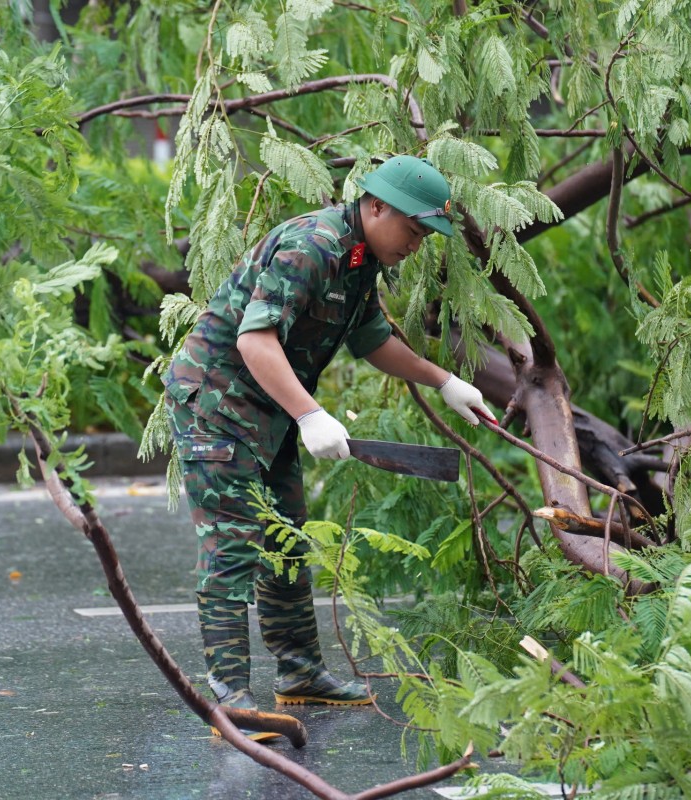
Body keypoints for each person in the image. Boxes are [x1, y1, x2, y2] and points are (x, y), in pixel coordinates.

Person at [162, 155, 497, 742]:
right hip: (216, 404)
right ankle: (229, 699)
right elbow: (255, 340)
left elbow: (374, 341)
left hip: (268, 411)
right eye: (413, 231)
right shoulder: (312, 246)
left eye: (425, 237)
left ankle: (300, 671)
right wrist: (311, 413)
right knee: (234, 545)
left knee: (287, 540)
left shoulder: (361, 260)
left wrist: (444, 382)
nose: (416, 245)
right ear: (375, 207)